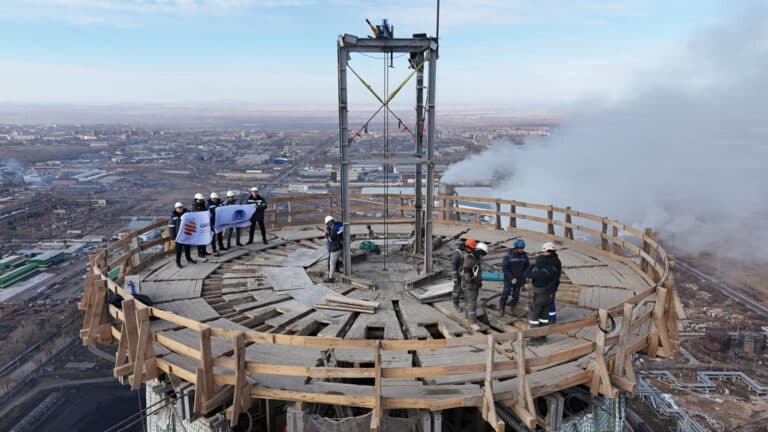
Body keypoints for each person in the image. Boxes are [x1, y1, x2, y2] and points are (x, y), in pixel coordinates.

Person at [525, 241, 562, 343]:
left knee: (534, 316)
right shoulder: (555, 267)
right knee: (545, 317)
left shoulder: (540, 273)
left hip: (539, 297)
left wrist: (531, 266)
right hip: (550, 294)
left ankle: (535, 338)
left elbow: (526, 274)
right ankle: (543, 336)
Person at [500, 238, 529, 317]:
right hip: (509, 279)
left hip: (519, 279)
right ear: (516, 248)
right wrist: (511, 278)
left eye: (523, 248)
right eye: (520, 248)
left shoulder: (524, 256)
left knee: (516, 295)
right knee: (506, 293)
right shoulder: (508, 256)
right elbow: (505, 268)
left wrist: (524, 275)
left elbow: (527, 267)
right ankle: (501, 309)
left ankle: (513, 308)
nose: (522, 250)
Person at [462, 241, 488, 324]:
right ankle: (473, 322)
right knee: (472, 303)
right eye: (482, 254)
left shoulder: (474, 258)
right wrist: (475, 282)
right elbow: (467, 277)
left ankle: (467, 318)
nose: (482, 257)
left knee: (468, 302)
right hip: (471, 285)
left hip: (472, 284)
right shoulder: (470, 260)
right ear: (479, 252)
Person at [169, 202, 196, 268]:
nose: (180, 209)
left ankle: (189, 259)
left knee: (187, 248)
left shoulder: (187, 214)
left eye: (181, 207)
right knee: (179, 250)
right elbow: (171, 228)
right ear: (176, 209)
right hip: (178, 236)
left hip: (186, 234)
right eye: (178, 208)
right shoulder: (173, 217)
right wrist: (173, 238)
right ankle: (178, 262)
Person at [451, 239, 473, 312]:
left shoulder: (463, 252)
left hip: (463, 274)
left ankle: (466, 301)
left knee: (464, 288)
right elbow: (453, 265)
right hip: (457, 275)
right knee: (456, 290)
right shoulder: (457, 253)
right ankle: (455, 305)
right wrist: (455, 277)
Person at [324, 215, 343, 282]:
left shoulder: (335, 229)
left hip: (335, 248)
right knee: (341, 260)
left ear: (331, 222)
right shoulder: (339, 225)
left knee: (332, 263)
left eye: (328, 224)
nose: (327, 226)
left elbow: (331, 238)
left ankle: (331, 278)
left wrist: (327, 235)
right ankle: (338, 270)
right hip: (341, 246)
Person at [191, 192, 209, 258]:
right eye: (200, 200)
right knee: (199, 240)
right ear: (196, 200)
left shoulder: (203, 206)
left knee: (204, 239)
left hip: (203, 225)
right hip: (198, 226)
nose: (201, 201)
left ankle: (204, 251)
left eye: (202, 200)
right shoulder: (194, 207)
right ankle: (200, 253)